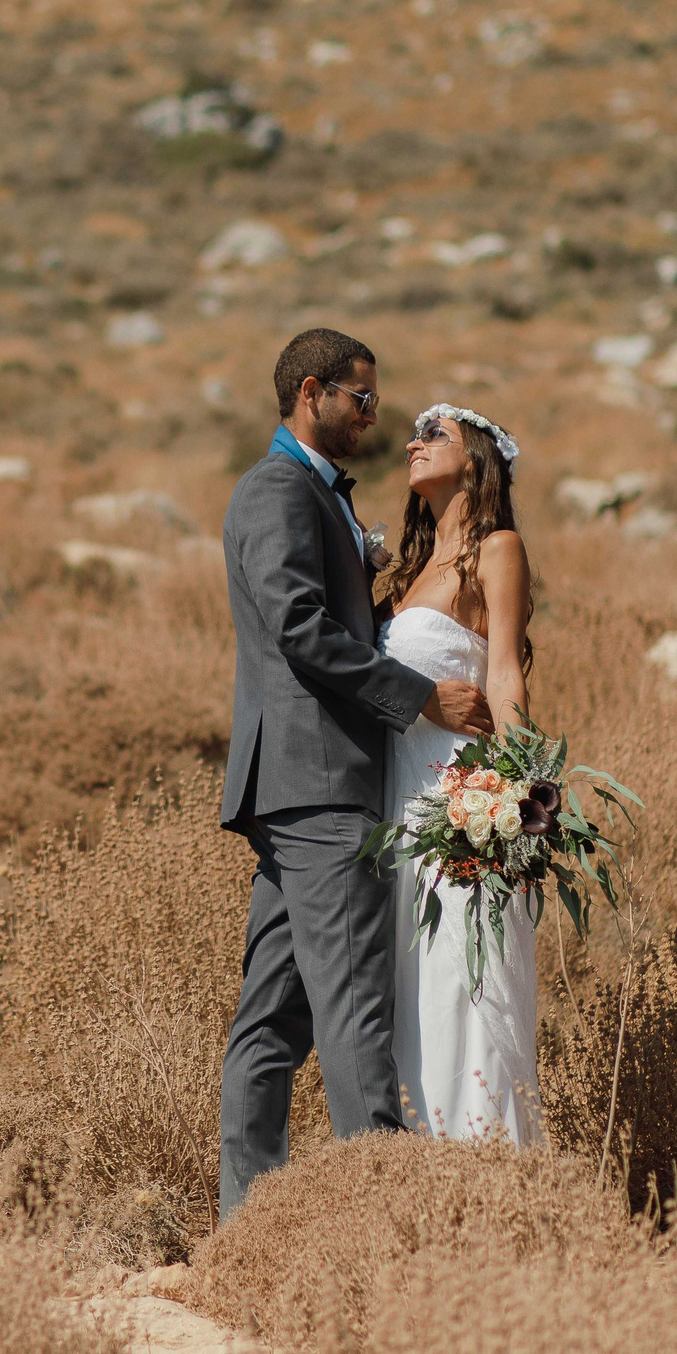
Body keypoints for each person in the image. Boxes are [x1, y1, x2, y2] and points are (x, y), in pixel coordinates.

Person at [215, 329, 494, 1221]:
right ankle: (382, 1224)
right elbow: (299, 628)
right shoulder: (276, 489)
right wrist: (420, 700)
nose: (374, 416)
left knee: (276, 1018)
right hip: (322, 784)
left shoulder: (316, 495)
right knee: (355, 1009)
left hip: (304, 788)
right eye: (362, 399)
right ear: (311, 392)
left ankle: (248, 1225)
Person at [381, 404, 543, 1145]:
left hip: (460, 807)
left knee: (463, 989)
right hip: (398, 809)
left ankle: (485, 1181)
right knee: (411, 993)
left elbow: (505, 674)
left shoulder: (498, 549)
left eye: (433, 433)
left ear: (474, 458)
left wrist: (528, 805)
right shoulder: (407, 570)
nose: (413, 442)